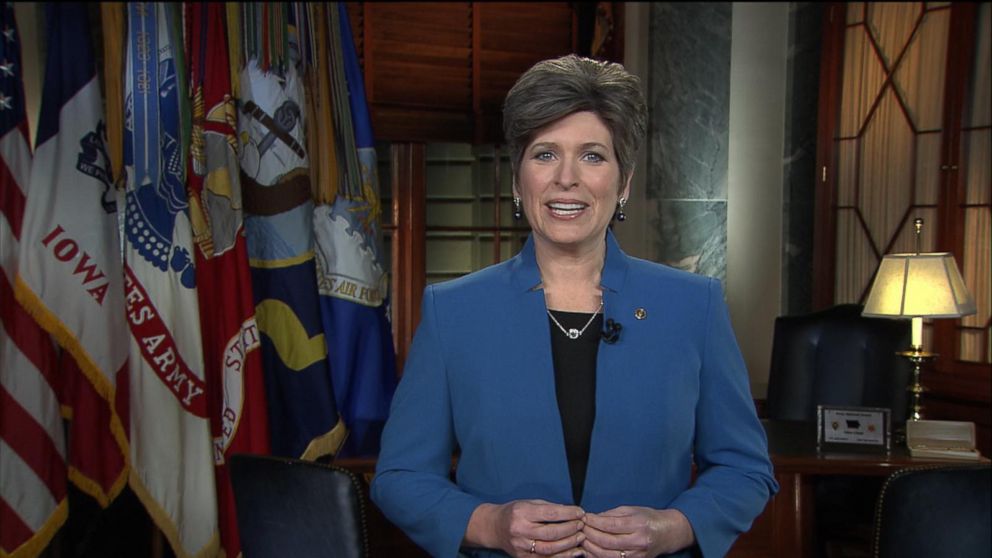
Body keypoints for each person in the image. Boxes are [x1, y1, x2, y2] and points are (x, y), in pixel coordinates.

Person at [371, 54, 777, 558]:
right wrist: (488, 524)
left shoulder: (694, 306)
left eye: (592, 156)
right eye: (544, 154)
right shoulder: (454, 312)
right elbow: (400, 476)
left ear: (623, 182)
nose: (567, 178)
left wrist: (672, 528)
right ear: (518, 182)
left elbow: (745, 468)